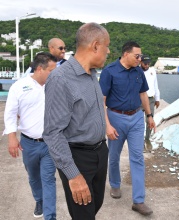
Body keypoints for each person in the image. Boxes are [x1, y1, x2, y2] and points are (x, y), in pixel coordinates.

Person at [43, 23, 110, 220]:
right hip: (78, 157)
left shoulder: (91, 74)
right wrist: (73, 175)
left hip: (100, 151)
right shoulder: (61, 79)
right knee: (83, 215)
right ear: (96, 46)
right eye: (107, 47)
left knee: (95, 206)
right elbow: (53, 133)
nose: (108, 52)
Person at [99, 41, 156, 216]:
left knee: (137, 157)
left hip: (137, 117)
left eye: (140, 56)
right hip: (116, 117)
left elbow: (143, 94)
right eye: (137, 56)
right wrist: (107, 125)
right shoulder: (109, 71)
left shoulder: (139, 71)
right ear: (125, 54)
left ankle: (138, 200)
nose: (140, 59)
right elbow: (101, 101)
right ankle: (115, 185)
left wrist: (149, 115)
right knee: (114, 155)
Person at [3, 52, 57, 220]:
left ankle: (50, 216)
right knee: (34, 177)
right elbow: (10, 113)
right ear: (40, 69)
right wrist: (12, 137)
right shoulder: (19, 86)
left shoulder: (55, 85)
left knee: (48, 179)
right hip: (29, 143)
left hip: (50, 142)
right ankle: (39, 200)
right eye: (51, 70)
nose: (54, 74)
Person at [140, 55, 160, 150]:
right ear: (141, 62)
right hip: (139, 99)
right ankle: (140, 142)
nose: (147, 65)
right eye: (145, 63)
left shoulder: (153, 71)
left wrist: (157, 99)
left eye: (148, 63)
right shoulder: (137, 71)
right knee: (139, 122)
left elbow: (155, 85)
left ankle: (147, 139)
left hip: (151, 99)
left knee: (150, 120)